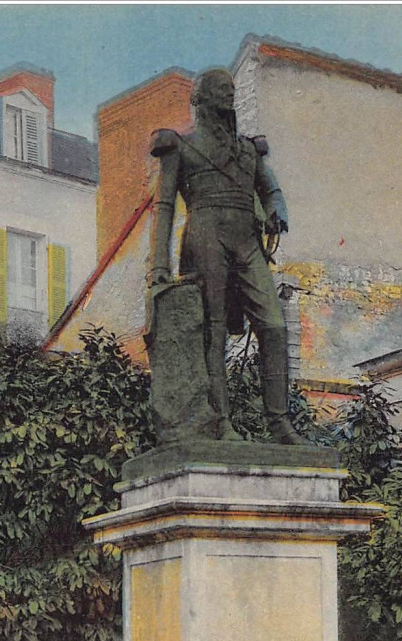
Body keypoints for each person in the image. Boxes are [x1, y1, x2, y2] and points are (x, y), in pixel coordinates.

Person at [148, 66, 302, 444]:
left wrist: (276, 210)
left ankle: (279, 421)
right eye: (219, 89)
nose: (227, 94)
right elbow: (164, 207)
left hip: (246, 240)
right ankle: (221, 423)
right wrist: (159, 265)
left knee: (274, 326)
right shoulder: (179, 146)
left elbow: (270, 190)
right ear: (199, 99)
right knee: (213, 331)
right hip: (205, 236)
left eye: (230, 89)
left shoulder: (249, 150)